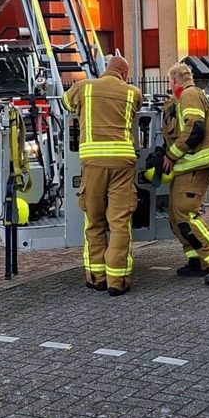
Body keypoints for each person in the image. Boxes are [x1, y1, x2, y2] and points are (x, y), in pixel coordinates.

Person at [61, 55, 141, 297]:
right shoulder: (133, 93)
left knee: (94, 221)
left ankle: (96, 277)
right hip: (123, 165)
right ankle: (118, 280)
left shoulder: (84, 88)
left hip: (93, 164)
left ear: (105, 69)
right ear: (124, 74)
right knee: (119, 223)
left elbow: (65, 104)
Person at [163, 63, 209, 285]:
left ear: (175, 81)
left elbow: (195, 128)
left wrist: (171, 155)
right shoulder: (186, 97)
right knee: (176, 218)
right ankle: (197, 259)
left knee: (186, 213)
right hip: (187, 166)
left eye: (169, 82)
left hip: (195, 165)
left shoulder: (190, 95)